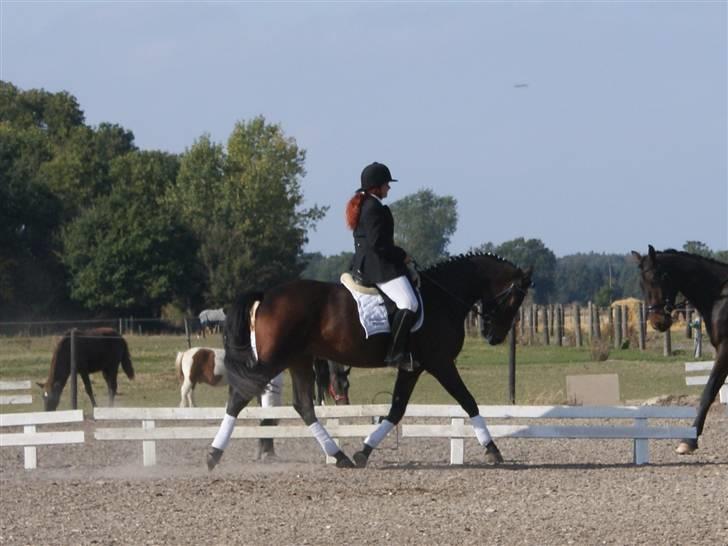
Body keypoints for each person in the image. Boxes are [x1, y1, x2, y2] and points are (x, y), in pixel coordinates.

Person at [346, 162, 419, 371]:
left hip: (374, 262)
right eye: (387, 184)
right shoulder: (372, 207)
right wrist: (402, 254)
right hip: (376, 266)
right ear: (376, 186)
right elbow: (379, 243)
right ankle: (395, 354)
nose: (389, 188)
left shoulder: (368, 204)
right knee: (409, 303)